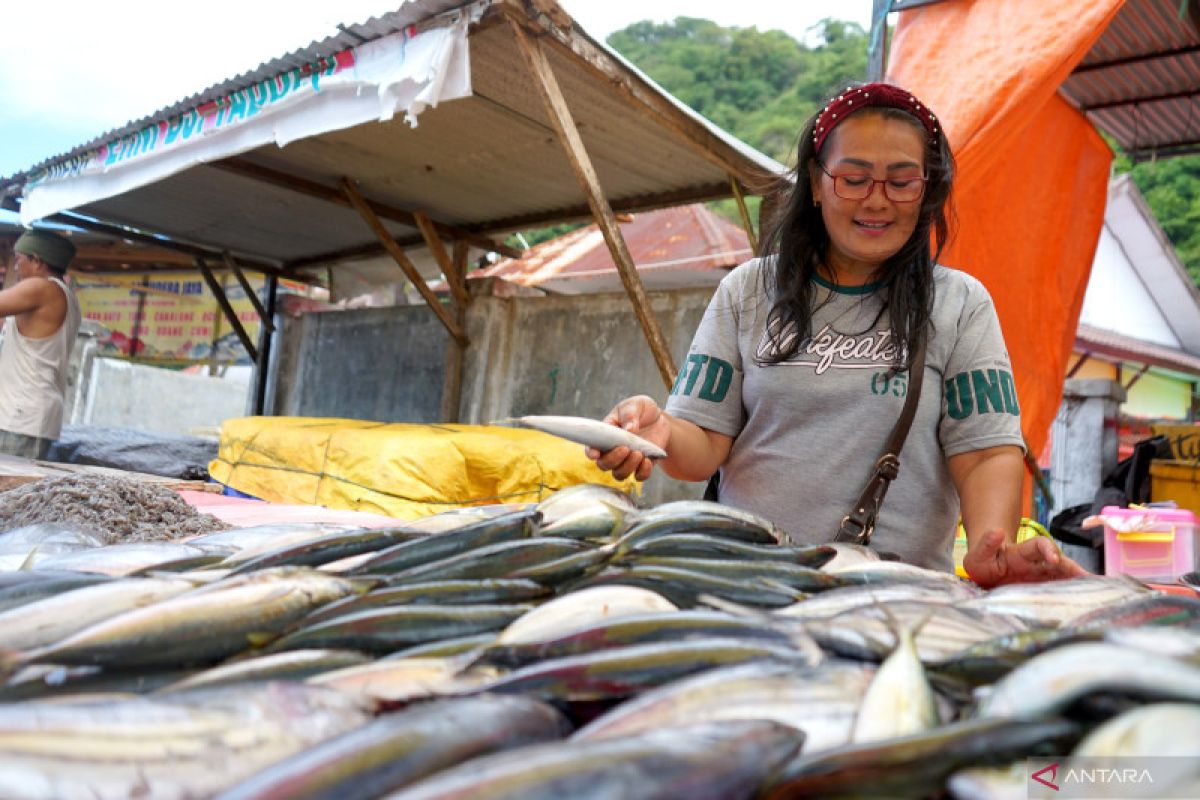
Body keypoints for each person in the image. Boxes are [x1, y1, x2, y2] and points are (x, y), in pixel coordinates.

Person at [588, 82, 1086, 588]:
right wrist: (662, 432)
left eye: (901, 181)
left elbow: (984, 452)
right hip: (747, 586)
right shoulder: (748, 291)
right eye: (854, 178)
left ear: (928, 189)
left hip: (896, 596)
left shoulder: (959, 303)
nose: (877, 201)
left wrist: (991, 546)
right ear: (817, 181)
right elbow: (705, 442)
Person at [0, 229, 81, 460]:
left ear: (37, 261)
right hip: (28, 415)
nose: (16, 268)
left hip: (20, 416)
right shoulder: (65, 296)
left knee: (8, 493)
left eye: (18, 260)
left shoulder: (42, 288)